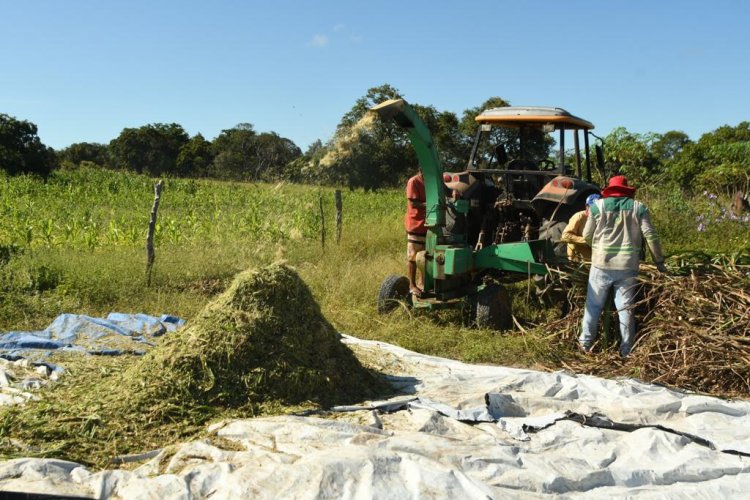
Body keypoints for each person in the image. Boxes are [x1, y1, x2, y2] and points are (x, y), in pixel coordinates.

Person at [579, 176, 667, 357]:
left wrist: (597, 248)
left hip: (601, 264)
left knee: (593, 306)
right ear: (628, 191)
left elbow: (587, 234)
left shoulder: (598, 207)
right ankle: (627, 350)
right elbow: (650, 236)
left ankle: (585, 345)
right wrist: (659, 262)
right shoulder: (638, 208)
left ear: (609, 191)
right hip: (628, 266)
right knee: (625, 308)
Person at [560, 194, 601, 262]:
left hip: (592, 260)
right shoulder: (579, 216)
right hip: (577, 260)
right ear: (586, 206)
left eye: (597, 208)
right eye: (592, 207)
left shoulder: (600, 217)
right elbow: (565, 236)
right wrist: (586, 241)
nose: (594, 210)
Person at [405, 168, 427, 296]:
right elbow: (413, 203)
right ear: (420, 169)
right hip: (415, 224)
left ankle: (422, 282)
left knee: (424, 256)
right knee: (413, 256)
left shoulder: (430, 182)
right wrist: (430, 203)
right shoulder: (413, 181)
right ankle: (412, 285)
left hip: (428, 224)